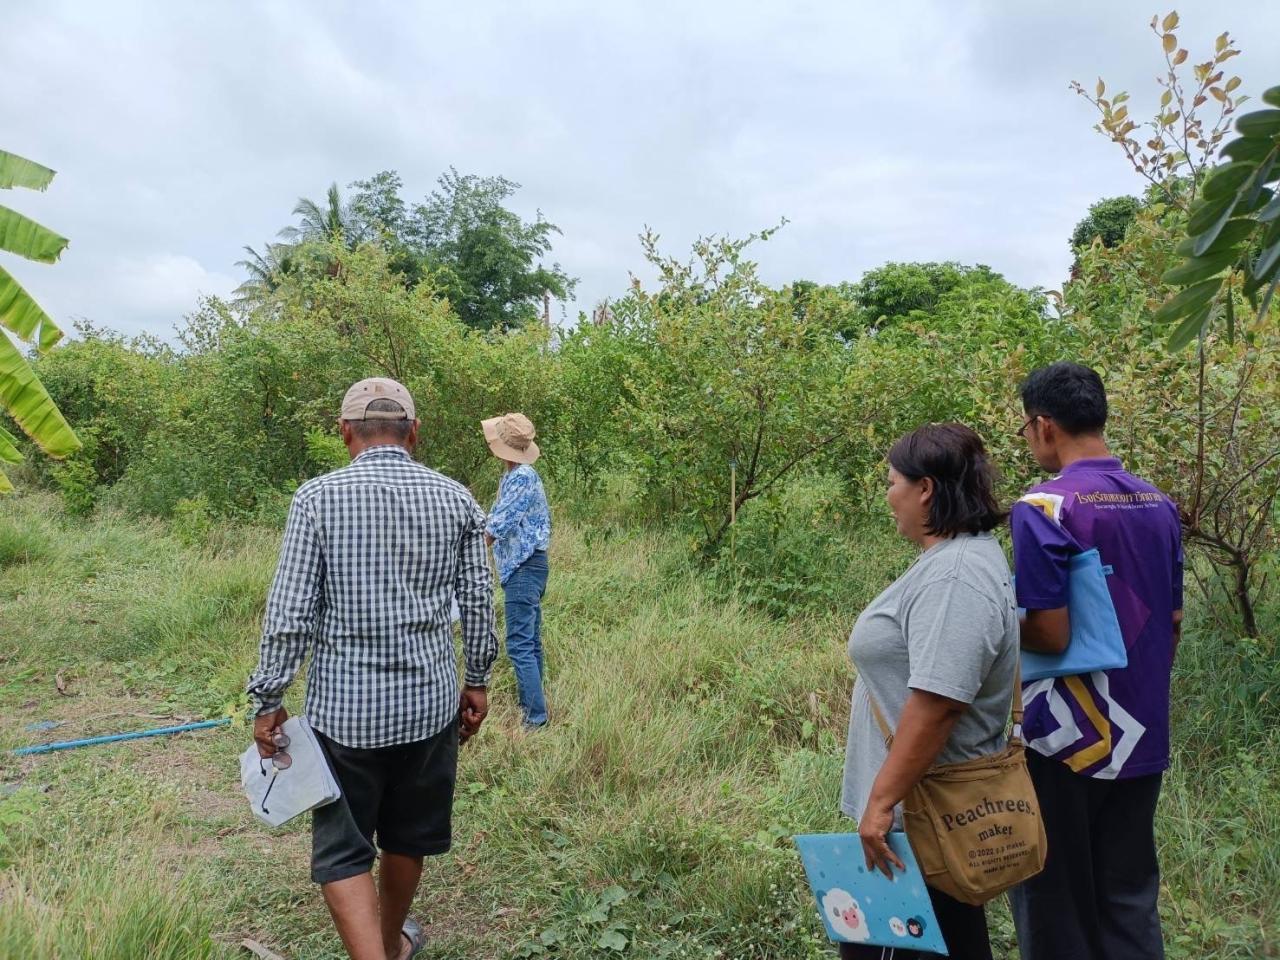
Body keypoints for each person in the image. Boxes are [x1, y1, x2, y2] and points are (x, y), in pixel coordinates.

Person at [247, 377, 498, 960]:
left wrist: (268, 698)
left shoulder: (316, 499)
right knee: (409, 837)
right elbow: (481, 601)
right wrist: (478, 680)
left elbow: (290, 613)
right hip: (429, 706)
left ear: (344, 433)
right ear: (413, 432)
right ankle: (389, 943)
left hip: (344, 716)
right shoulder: (455, 498)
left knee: (343, 849)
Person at [1008, 362, 1183, 960]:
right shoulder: (1159, 504)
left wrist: (998, 632)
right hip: (1142, 728)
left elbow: (1051, 634)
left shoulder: (1043, 507)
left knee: (1055, 900)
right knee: (1130, 897)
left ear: (1042, 425)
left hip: (1066, 739)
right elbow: (1174, 622)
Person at [841, 423, 1018, 960]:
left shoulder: (955, 578)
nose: (888, 495)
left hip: (919, 824)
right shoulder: (954, 562)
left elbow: (939, 703)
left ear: (926, 489)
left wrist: (881, 802)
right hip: (926, 818)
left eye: (893, 481)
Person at [480, 412, 552, 729]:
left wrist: (467, 551)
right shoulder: (513, 476)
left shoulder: (522, 477)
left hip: (524, 567)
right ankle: (534, 709)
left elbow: (500, 523)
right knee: (530, 642)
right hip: (525, 567)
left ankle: (535, 719)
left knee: (521, 645)